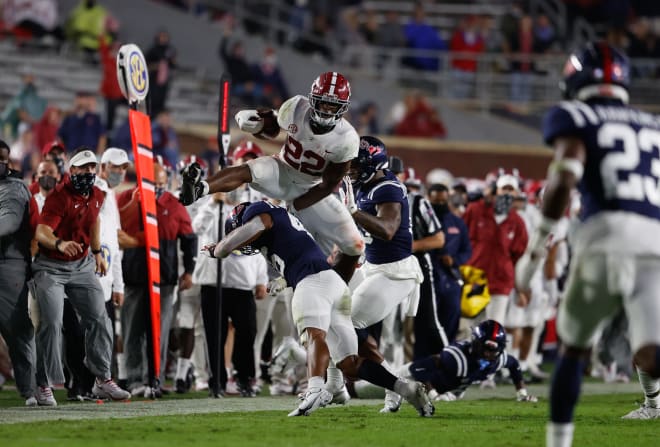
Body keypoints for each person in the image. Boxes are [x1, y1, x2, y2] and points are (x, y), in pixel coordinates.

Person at [515, 42, 660, 446]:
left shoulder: (574, 115)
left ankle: (558, 442)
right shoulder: (652, 124)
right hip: (655, 241)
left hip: (607, 237)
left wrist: (535, 249)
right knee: (652, 352)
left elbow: (563, 178)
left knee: (573, 348)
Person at [204, 201, 434, 417]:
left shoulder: (260, 212)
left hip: (313, 282)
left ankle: (314, 389)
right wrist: (283, 280)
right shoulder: (279, 228)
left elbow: (257, 226)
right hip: (331, 283)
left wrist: (219, 248)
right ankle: (406, 389)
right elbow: (290, 252)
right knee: (350, 365)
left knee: (313, 335)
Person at [179, 71, 364, 283]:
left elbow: (328, 184)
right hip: (282, 168)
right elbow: (272, 130)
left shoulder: (347, 139)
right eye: (322, 103)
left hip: (311, 188)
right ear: (313, 100)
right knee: (250, 170)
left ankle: (336, 287)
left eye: (333, 105)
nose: (326, 109)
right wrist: (257, 125)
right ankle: (199, 188)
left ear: (343, 107)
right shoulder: (296, 106)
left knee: (354, 245)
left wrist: (295, 207)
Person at [32, 147, 130, 406]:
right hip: (51, 265)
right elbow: (42, 232)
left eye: (91, 167)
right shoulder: (58, 197)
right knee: (52, 323)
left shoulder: (97, 194)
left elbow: (93, 220)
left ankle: (102, 379)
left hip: (82, 264)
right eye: (82, 168)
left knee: (100, 318)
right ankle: (43, 383)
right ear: (71, 170)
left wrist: (96, 251)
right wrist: (60, 243)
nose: (88, 172)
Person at [337, 136, 425, 413]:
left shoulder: (387, 186)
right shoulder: (362, 185)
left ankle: (338, 386)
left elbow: (387, 229)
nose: (349, 168)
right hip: (372, 267)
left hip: (395, 272)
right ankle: (395, 386)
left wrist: (354, 213)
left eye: (354, 163)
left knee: (347, 324)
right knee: (336, 318)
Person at [117, 163, 197, 396]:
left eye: (162, 184)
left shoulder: (174, 204)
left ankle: (155, 378)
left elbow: (189, 238)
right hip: (134, 274)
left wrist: (189, 270)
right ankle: (134, 379)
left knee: (159, 331)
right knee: (133, 329)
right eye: (155, 184)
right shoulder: (125, 198)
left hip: (164, 278)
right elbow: (116, 228)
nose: (160, 188)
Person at [401, 319, 538, 403]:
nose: (486, 353)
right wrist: (432, 394)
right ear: (476, 342)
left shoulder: (498, 360)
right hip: (408, 378)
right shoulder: (456, 358)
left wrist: (522, 394)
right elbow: (417, 369)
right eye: (484, 348)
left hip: (448, 392)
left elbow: (514, 364)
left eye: (491, 350)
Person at [0, 140, 36, 406]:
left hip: (9, 264)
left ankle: (28, 389)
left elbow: (7, 224)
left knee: (16, 328)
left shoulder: (15, 188)